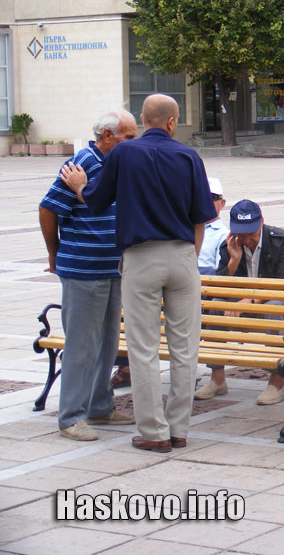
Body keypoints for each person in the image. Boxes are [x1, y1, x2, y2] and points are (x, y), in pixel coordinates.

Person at [60, 94, 217, 453]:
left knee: (143, 349)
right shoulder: (189, 156)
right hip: (182, 256)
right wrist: (189, 258)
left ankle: (154, 432)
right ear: (172, 122)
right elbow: (201, 218)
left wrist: (80, 185)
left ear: (144, 120)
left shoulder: (124, 153)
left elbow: (96, 200)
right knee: (184, 349)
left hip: (141, 258)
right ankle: (179, 429)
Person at [39, 110, 138, 441]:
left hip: (111, 268)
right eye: (128, 136)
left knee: (107, 342)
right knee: (81, 344)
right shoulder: (83, 163)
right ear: (107, 136)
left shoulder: (116, 163)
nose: (133, 142)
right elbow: (48, 208)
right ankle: (71, 416)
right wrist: (54, 254)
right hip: (84, 269)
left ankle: (99, 405)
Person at [194, 199, 284, 404]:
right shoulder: (229, 245)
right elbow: (220, 288)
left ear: (261, 222)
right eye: (241, 233)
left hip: (282, 303)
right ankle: (217, 378)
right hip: (244, 304)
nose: (246, 239)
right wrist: (233, 261)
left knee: (274, 307)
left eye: (251, 232)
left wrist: (252, 299)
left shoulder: (281, 241)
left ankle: (277, 381)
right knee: (216, 304)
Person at [197, 177, 229, 275]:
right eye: (201, 197)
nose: (206, 202)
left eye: (212, 198)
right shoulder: (184, 227)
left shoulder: (224, 235)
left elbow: (220, 271)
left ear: (222, 203)